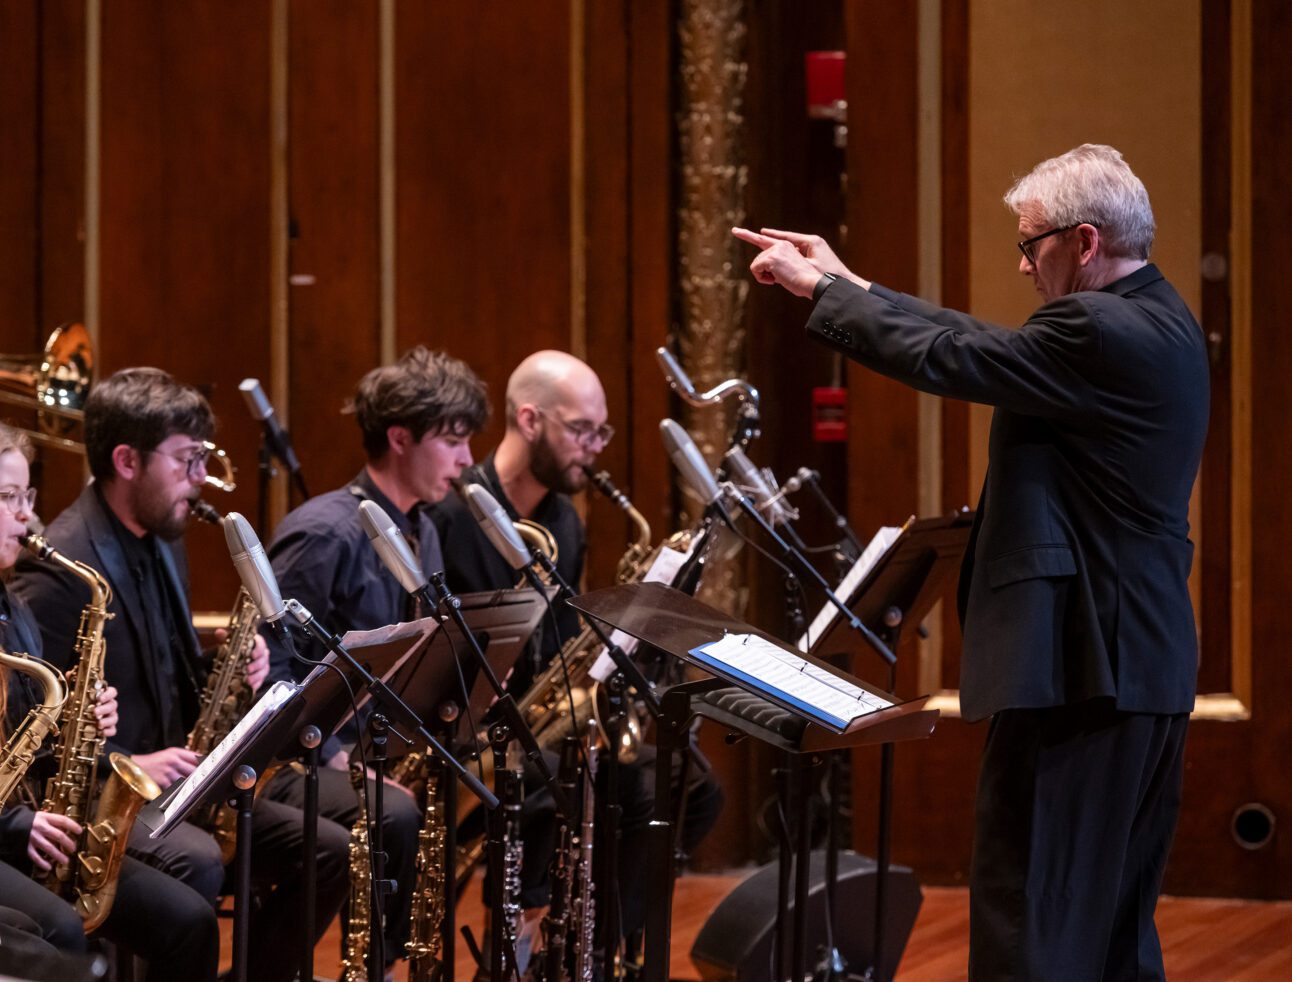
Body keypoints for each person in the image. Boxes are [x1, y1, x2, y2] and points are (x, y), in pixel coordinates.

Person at [734, 143, 1208, 981]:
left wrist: (820, 295)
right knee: (1109, 934)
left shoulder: (1096, 329)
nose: (1024, 265)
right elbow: (980, 338)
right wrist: (853, 285)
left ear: (1085, 241)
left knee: (1032, 920)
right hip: (1139, 666)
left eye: (1031, 245)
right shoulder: (1155, 314)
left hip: (1082, 670)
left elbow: (954, 358)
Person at [10, 370, 350, 982]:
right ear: (127, 461)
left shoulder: (163, 538)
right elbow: (40, 731)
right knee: (192, 871)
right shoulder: (60, 568)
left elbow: (159, 676)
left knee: (329, 850)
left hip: (182, 775)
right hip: (112, 790)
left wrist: (234, 668)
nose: (201, 479)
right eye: (187, 460)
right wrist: (131, 752)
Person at [430, 349, 724, 953]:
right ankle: (530, 948)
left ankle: (597, 951)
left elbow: (565, 644)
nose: (595, 447)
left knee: (693, 788)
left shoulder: (566, 521)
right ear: (531, 419)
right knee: (571, 789)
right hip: (472, 736)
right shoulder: (449, 516)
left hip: (544, 725)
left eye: (602, 431)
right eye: (582, 430)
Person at [261, 345, 489, 965]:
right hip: (301, 762)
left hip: (381, 747)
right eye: (453, 441)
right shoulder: (325, 533)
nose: (468, 460)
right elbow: (271, 673)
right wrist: (335, 758)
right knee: (395, 815)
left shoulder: (423, 528)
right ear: (399, 438)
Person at [0, 420, 220, 980]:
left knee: (191, 921)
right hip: (14, 831)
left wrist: (84, 719)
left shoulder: (12, 608)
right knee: (63, 931)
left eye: (26, 496)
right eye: (7, 498)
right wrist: (18, 824)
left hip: (43, 823)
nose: (25, 514)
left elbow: (36, 733)